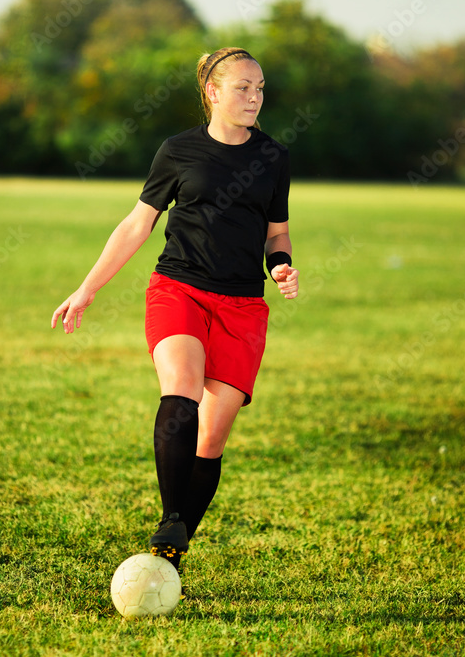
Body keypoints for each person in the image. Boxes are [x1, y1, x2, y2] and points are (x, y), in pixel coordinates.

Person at [51, 47, 299, 573]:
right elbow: (137, 224)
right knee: (181, 395)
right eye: (242, 87)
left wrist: (280, 265)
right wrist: (87, 288)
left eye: (260, 88)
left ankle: (173, 545)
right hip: (178, 290)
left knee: (211, 436)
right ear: (212, 91)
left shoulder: (273, 157)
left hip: (242, 306)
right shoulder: (178, 151)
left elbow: (276, 231)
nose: (254, 97)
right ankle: (171, 519)